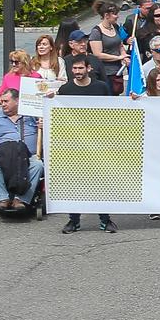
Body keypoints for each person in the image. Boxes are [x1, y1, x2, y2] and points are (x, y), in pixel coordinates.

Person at [53, 56, 117, 234]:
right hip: (75, 145)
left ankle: (105, 220)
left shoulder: (101, 87)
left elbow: (111, 111)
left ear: (88, 68)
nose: (77, 72)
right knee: (74, 183)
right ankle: (74, 220)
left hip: (98, 144)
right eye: (75, 69)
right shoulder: (65, 90)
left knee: (101, 183)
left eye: (81, 68)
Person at [0, 89, 40, 209]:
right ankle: (2, 198)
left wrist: (44, 125)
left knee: (38, 165)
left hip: (27, 155)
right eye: (1, 102)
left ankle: (21, 199)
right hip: (4, 155)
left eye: (6, 101)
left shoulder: (31, 116)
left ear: (17, 101)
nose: (3, 104)